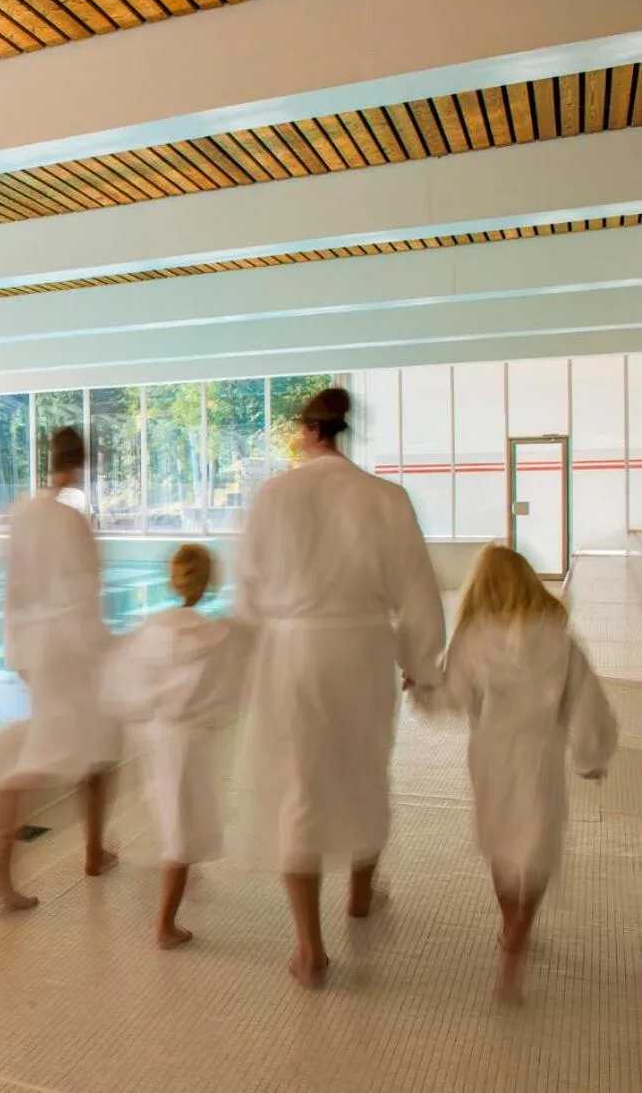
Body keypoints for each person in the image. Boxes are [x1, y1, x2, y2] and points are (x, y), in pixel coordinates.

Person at [235, 386, 445, 987]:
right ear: (344, 429)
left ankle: (309, 949)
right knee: (365, 767)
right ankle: (360, 892)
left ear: (306, 431)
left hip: (293, 652)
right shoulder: (386, 498)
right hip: (361, 648)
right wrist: (421, 663)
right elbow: (418, 592)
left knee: (300, 784)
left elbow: (248, 592)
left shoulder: (274, 495)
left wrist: (248, 659)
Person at [409, 544, 616, 1002]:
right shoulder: (560, 637)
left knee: (502, 842)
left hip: (491, 754)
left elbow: (451, 697)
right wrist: (590, 755)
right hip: (540, 754)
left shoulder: (474, 637)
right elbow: (586, 703)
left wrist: (421, 691)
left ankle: (509, 926)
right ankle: (520, 932)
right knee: (536, 842)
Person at [0, 426, 118, 911]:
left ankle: (94, 852)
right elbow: (88, 592)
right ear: (81, 464)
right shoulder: (71, 521)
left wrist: (18, 655)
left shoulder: (22, 516)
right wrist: (104, 652)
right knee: (44, 758)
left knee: (95, 748)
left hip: (38, 651)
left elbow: (13, 592)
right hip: (73, 651)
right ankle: (0, 883)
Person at [107, 544, 250, 948]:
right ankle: (165, 925)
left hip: (154, 734)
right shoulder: (216, 635)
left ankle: (180, 889)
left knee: (173, 814)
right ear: (209, 584)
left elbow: (127, 679)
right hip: (189, 738)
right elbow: (229, 690)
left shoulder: (153, 628)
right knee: (183, 829)